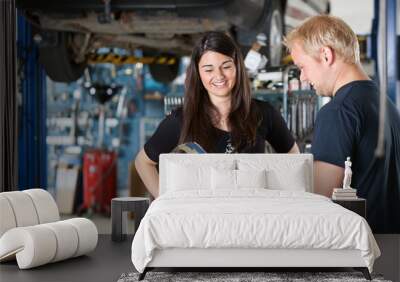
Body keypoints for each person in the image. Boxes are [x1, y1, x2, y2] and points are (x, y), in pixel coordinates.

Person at [135, 31, 299, 198]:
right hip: (203, 219)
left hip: (251, 216)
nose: (218, 76)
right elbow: (143, 162)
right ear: (198, 73)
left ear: (237, 67)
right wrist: (165, 201)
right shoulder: (182, 119)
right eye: (208, 69)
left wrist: (280, 200)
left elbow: (294, 158)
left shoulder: (264, 113)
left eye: (226, 67)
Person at [285, 15, 400, 233]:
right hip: (392, 248)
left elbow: (320, 202)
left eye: (303, 66)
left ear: (326, 55)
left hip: (361, 254)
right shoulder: (384, 102)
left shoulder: (338, 111)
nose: (302, 77)